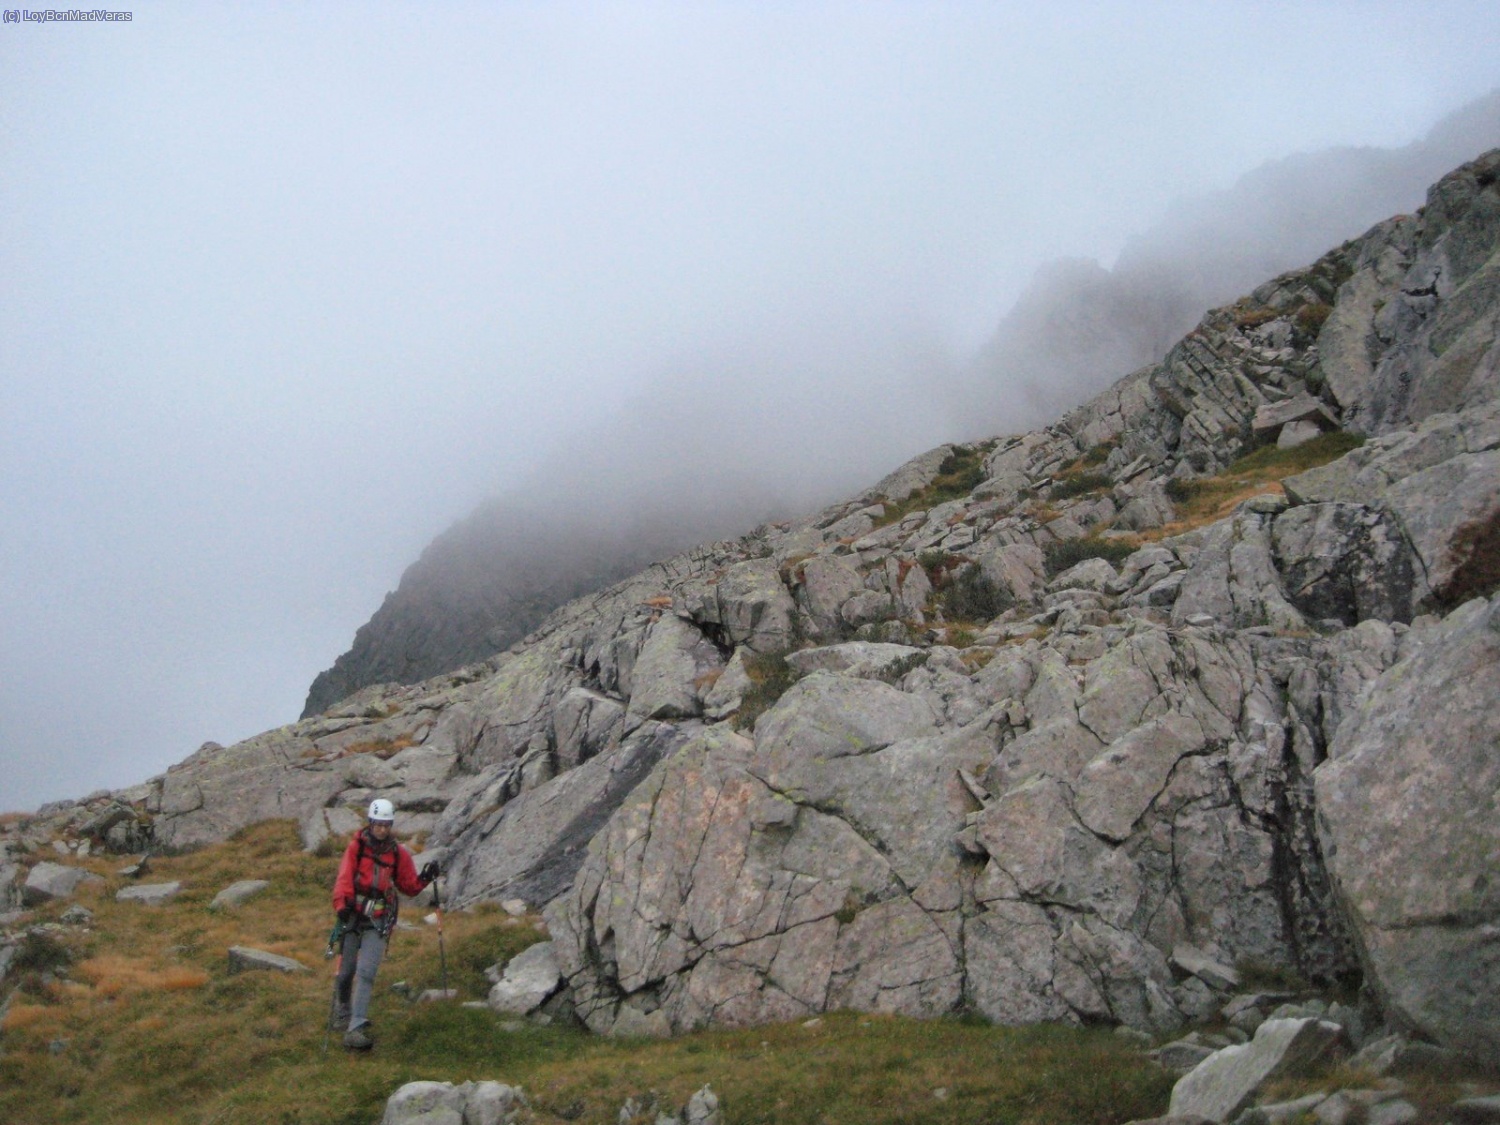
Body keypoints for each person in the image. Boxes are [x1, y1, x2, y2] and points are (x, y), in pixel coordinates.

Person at [330, 798, 439, 1050]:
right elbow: (344, 878)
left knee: (366, 972)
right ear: (370, 823)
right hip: (352, 915)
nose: (382, 830)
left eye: (386, 825)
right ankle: (343, 1008)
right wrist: (341, 906)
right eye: (378, 825)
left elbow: (408, 885)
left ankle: (355, 1027)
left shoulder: (397, 853)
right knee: (346, 971)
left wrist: (425, 878)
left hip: (379, 919)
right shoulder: (356, 848)